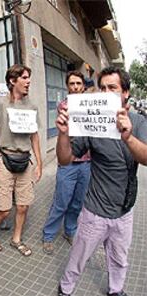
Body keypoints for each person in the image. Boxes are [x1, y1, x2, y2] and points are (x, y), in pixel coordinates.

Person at [57, 66, 147, 296]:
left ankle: (115, 290)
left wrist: (127, 137)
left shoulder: (138, 121)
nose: (106, 93)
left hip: (124, 211)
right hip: (95, 212)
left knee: (119, 259)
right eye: (103, 88)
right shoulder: (91, 121)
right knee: (79, 257)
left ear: (125, 92)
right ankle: (65, 289)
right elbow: (65, 159)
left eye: (113, 88)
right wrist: (63, 134)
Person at [0, 64, 42, 255]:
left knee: (23, 206)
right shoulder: (0, 104)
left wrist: (39, 163)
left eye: (29, 78)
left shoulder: (31, 106)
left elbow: (34, 136)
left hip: (25, 160)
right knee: (3, 210)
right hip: (4, 159)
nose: (28, 82)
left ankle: (16, 239)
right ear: (12, 81)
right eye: (24, 78)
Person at [42, 71, 91, 255]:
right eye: (72, 83)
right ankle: (48, 235)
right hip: (68, 163)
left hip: (87, 162)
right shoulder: (64, 105)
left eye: (79, 83)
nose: (76, 87)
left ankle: (70, 231)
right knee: (61, 202)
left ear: (83, 86)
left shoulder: (91, 105)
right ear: (67, 86)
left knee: (78, 202)